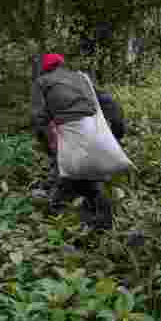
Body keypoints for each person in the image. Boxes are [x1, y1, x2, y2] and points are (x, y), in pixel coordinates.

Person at [31, 53, 126, 230]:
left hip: (70, 134)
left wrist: (50, 147)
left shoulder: (42, 82)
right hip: (95, 131)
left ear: (44, 70)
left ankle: (68, 223)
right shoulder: (81, 78)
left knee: (68, 185)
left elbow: (39, 118)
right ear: (62, 64)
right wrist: (117, 133)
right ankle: (100, 219)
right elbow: (109, 103)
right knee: (89, 178)